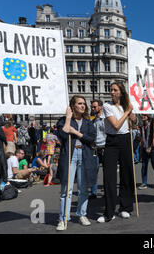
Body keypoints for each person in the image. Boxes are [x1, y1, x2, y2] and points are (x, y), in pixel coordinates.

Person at [56, 95, 97, 231]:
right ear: (73, 106)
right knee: (66, 189)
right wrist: (68, 118)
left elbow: (92, 139)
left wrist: (76, 133)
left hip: (84, 155)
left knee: (83, 188)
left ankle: (82, 214)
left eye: (84, 104)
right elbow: (62, 135)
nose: (83, 106)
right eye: (79, 103)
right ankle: (63, 218)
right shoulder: (63, 120)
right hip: (70, 155)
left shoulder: (87, 122)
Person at [97, 82, 136, 223]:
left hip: (125, 139)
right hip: (112, 141)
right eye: (111, 90)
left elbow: (134, 122)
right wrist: (127, 112)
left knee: (127, 173)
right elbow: (116, 125)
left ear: (121, 92)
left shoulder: (126, 106)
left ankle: (126, 207)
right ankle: (109, 212)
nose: (112, 92)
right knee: (109, 176)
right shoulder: (108, 106)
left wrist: (132, 116)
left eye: (115, 90)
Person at [138, 114, 154, 190]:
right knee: (144, 166)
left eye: (145, 115)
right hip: (145, 147)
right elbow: (142, 137)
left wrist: (150, 147)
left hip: (153, 147)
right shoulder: (142, 126)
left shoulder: (152, 125)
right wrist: (141, 148)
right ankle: (144, 183)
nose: (143, 116)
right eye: (142, 115)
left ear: (148, 116)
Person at [90, 99, 106, 199]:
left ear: (100, 107)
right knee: (94, 170)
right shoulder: (93, 120)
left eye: (94, 107)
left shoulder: (105, 120)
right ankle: (93, 192)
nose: (92, 108)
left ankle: (107, 190)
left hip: (104, 146)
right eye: (92, 107)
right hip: (95, 147)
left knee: (106, 171)